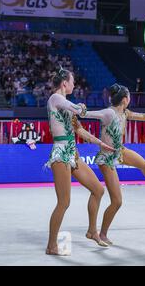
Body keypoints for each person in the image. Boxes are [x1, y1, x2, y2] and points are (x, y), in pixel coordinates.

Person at [83, 83, 145, 245]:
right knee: (117, 201)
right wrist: (79, 109)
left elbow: (143, 117)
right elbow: (89, 114)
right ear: (126, 99)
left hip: (119, 150)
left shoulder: (125, 113)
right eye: (129, 97)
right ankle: (102, 233)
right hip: (107, 158)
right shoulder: (109, 113)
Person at [45, 68, 115, 256]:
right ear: (64, 83)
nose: (75, 84)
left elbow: (80, 130)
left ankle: (92, 231)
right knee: (64, 202)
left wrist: (101, 143)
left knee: (98, 190)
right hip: (60, 153)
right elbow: (77, 109)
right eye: (72, 81)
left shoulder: (67, 105)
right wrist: (82, 108)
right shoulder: (55, 99)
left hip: (72, 153)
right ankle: (52, 245)